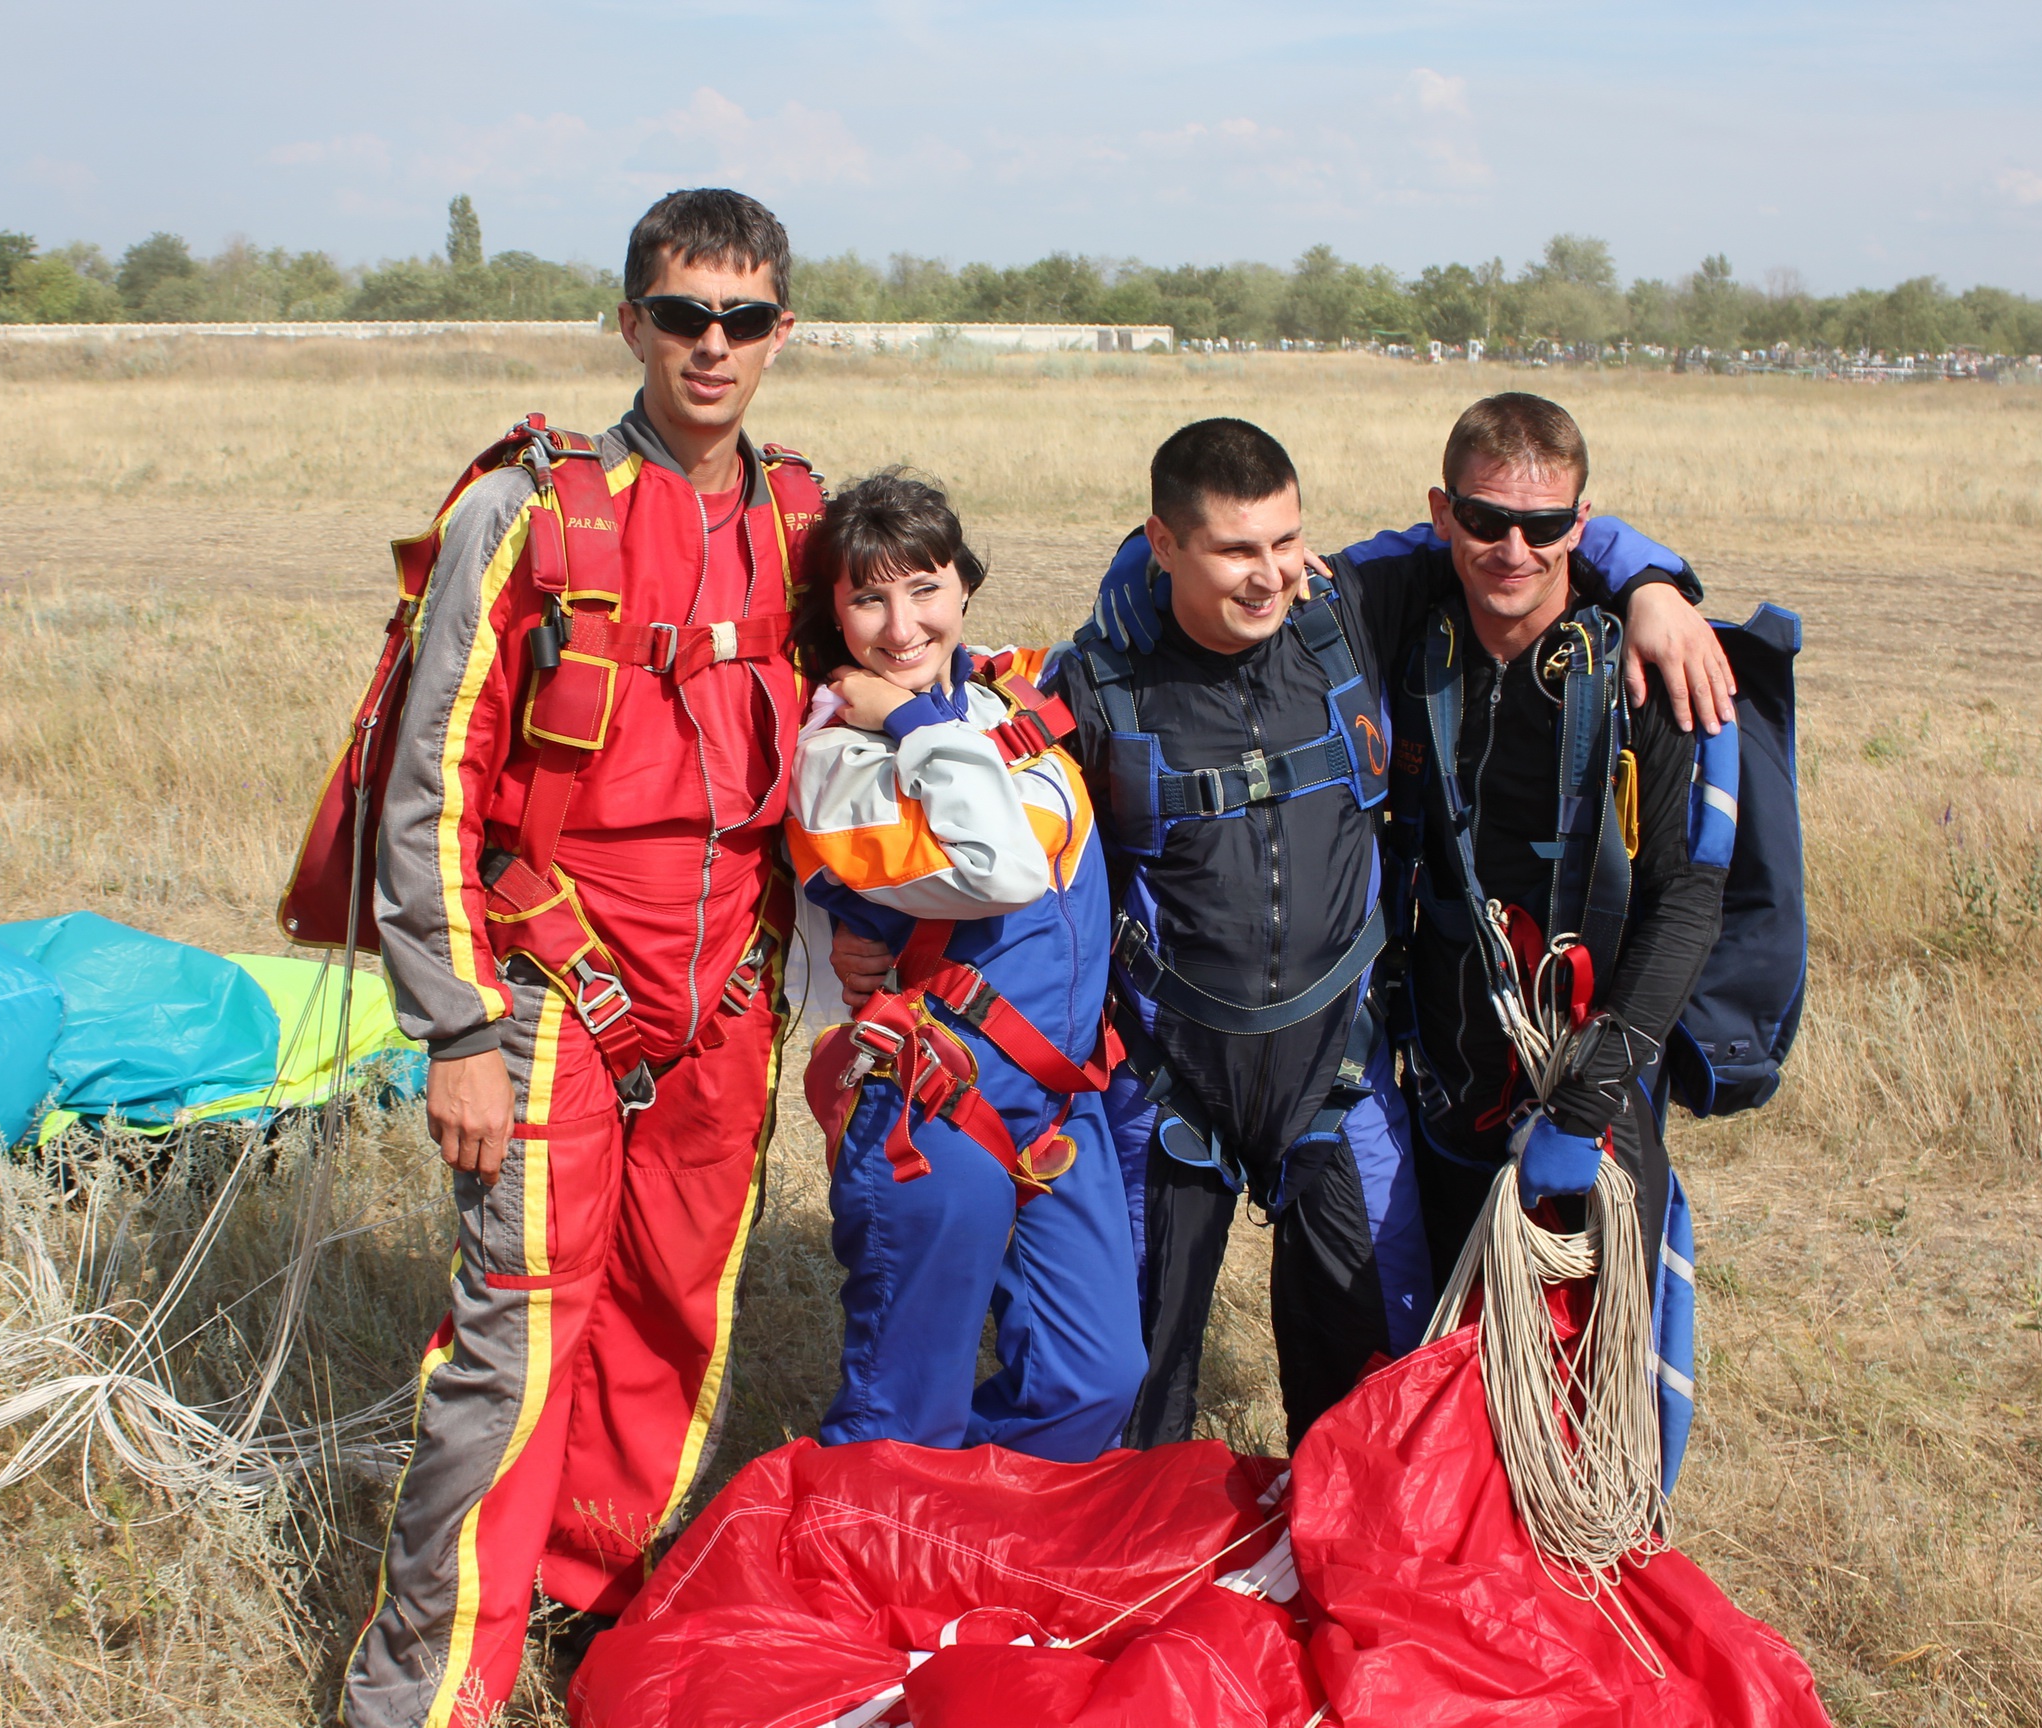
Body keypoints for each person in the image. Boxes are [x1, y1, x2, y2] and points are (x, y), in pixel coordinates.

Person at [835, 419, 1728, 1449]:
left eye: (1285, 543)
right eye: (1234, 550)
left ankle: (1335, 1542)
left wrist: (1653, 582)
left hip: (1337, 1079)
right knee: (1128, 1403)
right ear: (1163, 544)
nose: (1269, 577)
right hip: (1166, 1083)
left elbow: (1509, 537)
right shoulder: (1093, 682)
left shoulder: (1350, 612)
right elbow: (1008, 851)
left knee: (1377, 1397)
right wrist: (881, 943)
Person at [346, 188, 820, 1728]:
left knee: (672, 1322)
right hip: (553, 998)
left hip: (727, 1002)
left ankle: (579, 1613)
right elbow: (432, 785)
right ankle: (427, 1694)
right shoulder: (530, 513)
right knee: (514, 1354)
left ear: (782, 332)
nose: (711, 346)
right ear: (631, 324)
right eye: (682, 314)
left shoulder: (803, 522)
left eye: (741, 318)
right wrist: (457, 1030)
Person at [785, 471, 1144, 1462]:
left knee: (1094, 1381)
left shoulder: (997, 692)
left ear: (965, 585)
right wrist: (907, 722)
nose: (903, 627)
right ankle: (861, 1545)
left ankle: (965, 1535)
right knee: (905, 1421)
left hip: (1060, 1107)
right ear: (835, 616)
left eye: (925, 588)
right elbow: (1004, 868)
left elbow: (1143, 614)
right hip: (935, 1111)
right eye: (869, 599)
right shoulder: (839, 759)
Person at [1363, 391, 1726, 1298]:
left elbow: (1685, 899)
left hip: (1592, 1076)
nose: (1514, 550)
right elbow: (1228, 560)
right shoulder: (1405, 630)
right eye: (1486, 520)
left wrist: (1591, 1095)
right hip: (1445, 1073)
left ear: (1581, 526)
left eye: (1546, 526)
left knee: (1590, 1350)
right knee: (1442, 1335)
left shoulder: (1644, 676)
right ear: (1443, 512)